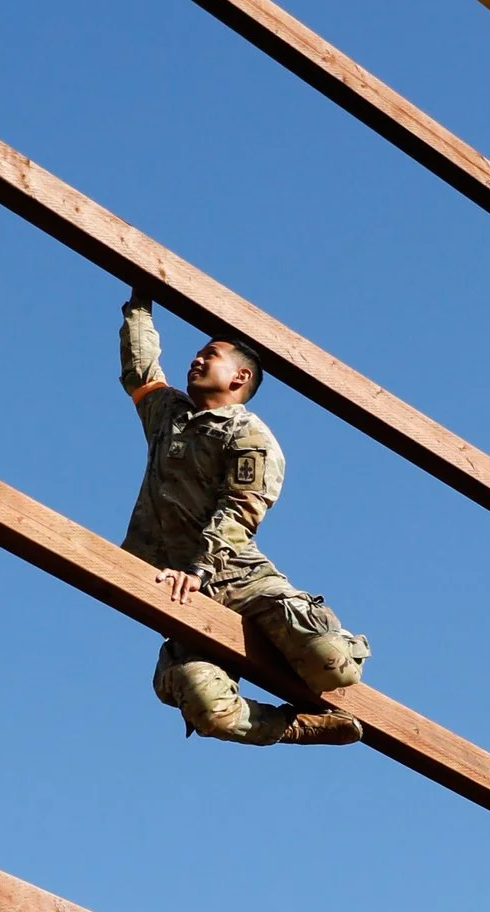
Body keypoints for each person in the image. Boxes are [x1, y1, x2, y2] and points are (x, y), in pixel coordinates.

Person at [115, 289, 369, 745]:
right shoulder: (168, 414)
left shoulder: (248, 433)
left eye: (209, 356)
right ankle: (294, 727)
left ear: (240, 376)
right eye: (196, 354)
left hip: (238, 578)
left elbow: (241, 507)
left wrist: (199, 568)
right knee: (208, 708)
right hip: (183, 592)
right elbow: (140, 371)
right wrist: (139, 304)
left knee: (334, 665)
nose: (196, 360)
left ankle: (322, 645)